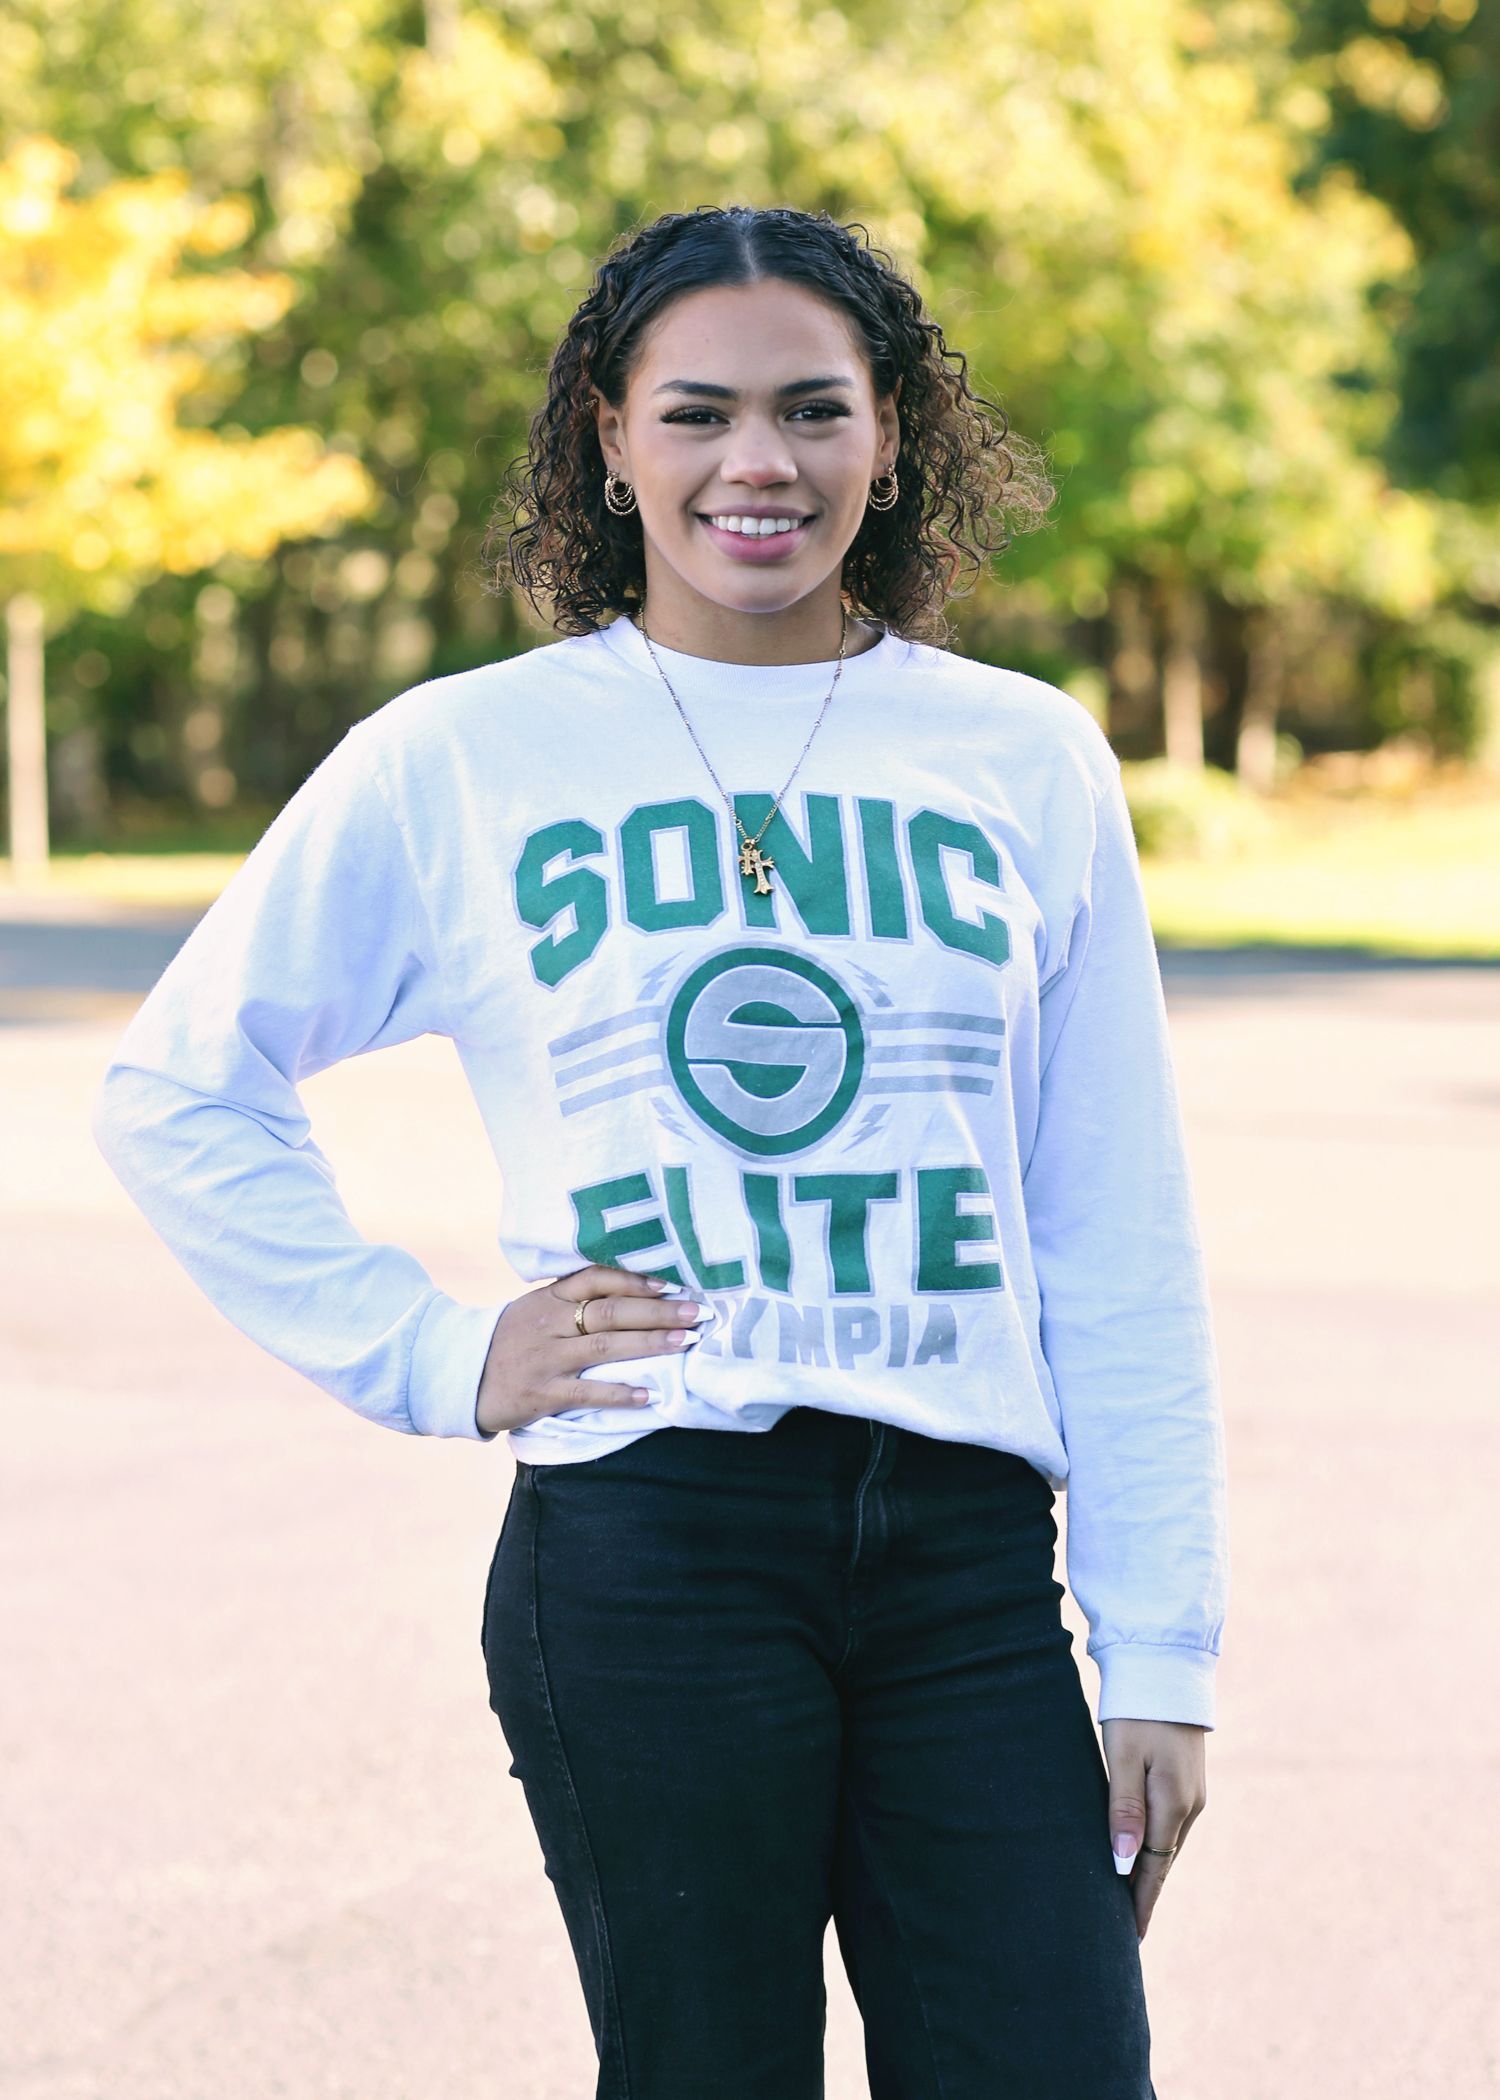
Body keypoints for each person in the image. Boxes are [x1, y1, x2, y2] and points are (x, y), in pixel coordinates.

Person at [91, 203, 1229, 2099]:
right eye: (697, 412)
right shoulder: (467, 756)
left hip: (965, 1559)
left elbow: (1111, 1225)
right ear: (610, 439)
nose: (755, 462)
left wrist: (1164, 1647)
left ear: (891, 434)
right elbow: (181, 1088)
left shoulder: (1023, 757)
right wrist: (436, 1352)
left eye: (812, 409)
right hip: (655, 1546)